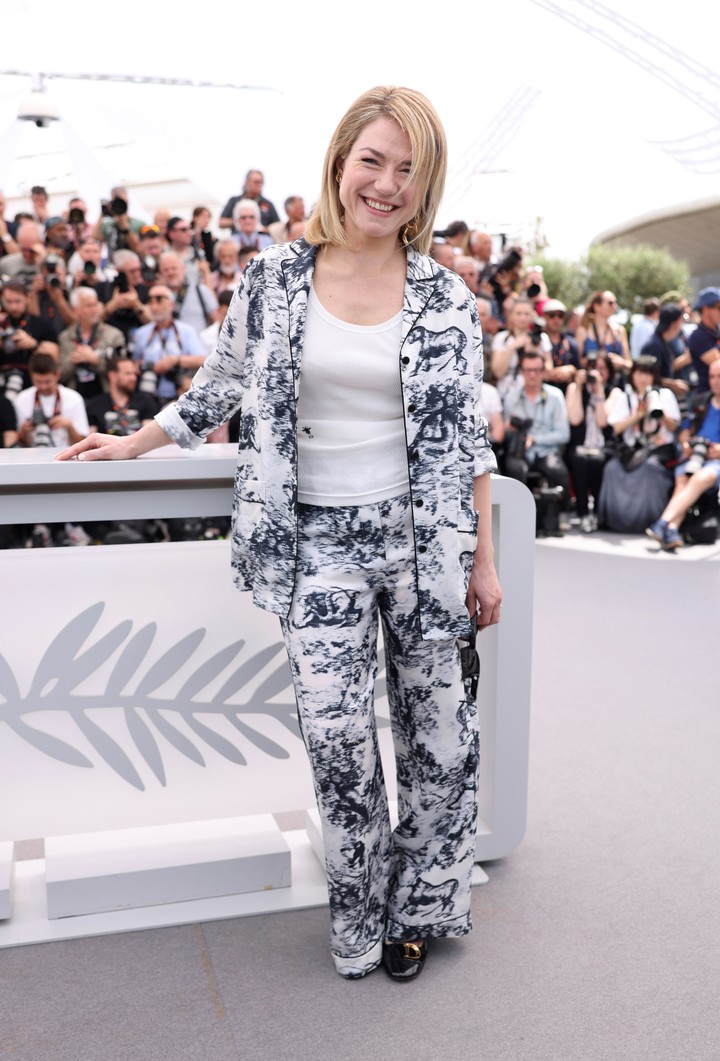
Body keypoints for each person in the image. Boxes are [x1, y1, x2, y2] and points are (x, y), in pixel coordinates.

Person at [57, 84, 502, 985]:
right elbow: (220, 383)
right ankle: (359, 911)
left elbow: (471, 439)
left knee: (441, 738)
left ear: (428, 188)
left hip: (425, 544)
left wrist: (483, 561)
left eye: (409, 171)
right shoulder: (274, 278)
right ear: (340, 162)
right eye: (373, 159)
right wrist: (138, 439)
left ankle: (420, 909)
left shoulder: (444, 297)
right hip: (316, 545)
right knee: (339, 740)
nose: (386, 184)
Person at [597, 356, 680, 533]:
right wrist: (638, 415)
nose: (643, 378)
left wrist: (659, 411)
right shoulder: (626, 396)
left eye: (648, 373)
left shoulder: (664, 395)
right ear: (633, 375)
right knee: (611, 468)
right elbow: (616, 428)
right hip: (632, 450)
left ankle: (650, 521)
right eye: (640, 373)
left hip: (659, 449)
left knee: (650, 469)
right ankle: (614, 520)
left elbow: (674, 426)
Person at [646, 360, 720, 550]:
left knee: (701, 478)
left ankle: (662, 522)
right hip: (693, 458)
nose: (715, 381)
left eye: (719, 376)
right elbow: (684, 432)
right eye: (712, 376)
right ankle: (671, 530)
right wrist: (686, 445)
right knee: (682, 483)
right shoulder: (700, 401)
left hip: (714, 463)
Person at [501, 350, 571, 512]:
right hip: (518, 451)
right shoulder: (512, 397)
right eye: (528, 370)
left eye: (537, 370)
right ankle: (516, 515)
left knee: (558, 471)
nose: (532, 374)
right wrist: (510, 429)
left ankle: (558, 516)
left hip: (545, 451)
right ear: (522, 372)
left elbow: (563, 434)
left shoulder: (555, 395)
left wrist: (535, 439)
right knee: (515, 471)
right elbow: (504, 435)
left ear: (543, 372)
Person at [131, 282, 206, 403]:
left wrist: (175, 361)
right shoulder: (142, 333)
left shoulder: (186, 331)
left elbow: (202, 360)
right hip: (149, 396)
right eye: (150, 301)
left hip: (179, 397)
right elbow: (134, 363)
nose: (154, 306)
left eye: (159, 300)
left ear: (171, 304)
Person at [565, 352, 615, 532]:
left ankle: (598, 513)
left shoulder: (613, 392)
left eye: (602, 368)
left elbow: (603, 421)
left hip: (603, 446)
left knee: (597, 461)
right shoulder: (574, 388)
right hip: (580, 445)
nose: (597, 373)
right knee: (578, 460)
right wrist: (578, 388)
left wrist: (599, 389)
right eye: (593, 368)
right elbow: (575, 419)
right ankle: (583, 513)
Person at [58, 288, 126, 398]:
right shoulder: (65, 337)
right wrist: (73, 360)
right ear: (76, 310)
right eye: (88, 306)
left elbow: (123, 373)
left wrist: (95, 361)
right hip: (75, 396)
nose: (94, 309)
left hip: (106, 396)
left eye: (95, 305)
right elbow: (59, 375)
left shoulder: (114, 335)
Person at [13, 351, 89, 448]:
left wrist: (69, 426)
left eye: (47, 382)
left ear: (57, 375)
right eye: (38, 382)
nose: (43, 386)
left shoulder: (74, 398)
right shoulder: (21, 399)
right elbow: (22, 445)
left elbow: (83, 443)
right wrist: (24, 430)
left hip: (66, 455)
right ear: (31, 377)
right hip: (33, 456)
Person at [490, 296, 551, 402]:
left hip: (533, 395)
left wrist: (534, 352)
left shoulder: (542, 339)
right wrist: (512, 347)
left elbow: (548, 373)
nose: (523, 318)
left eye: (527, 314)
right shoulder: (502, 338)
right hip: (507, 394)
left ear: (532, 315)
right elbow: (498, 372)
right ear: (511, 315)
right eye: (518, 313)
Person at [85, 355, 158, 435]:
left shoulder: (145, 401)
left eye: (134, 373)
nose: (133, 378)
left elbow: (150, 435)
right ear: (112, 376)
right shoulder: (95, 405)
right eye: (128, 373)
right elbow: (89, 438)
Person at [575, 291, 632, 378]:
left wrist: (622, 363)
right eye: (610, 303)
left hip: (615, 383)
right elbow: (577, 362)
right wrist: (596, 360)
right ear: (596, 306)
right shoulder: (583, 331)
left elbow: (629, 363)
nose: (614, 306)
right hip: (590, 383)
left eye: (615, 303)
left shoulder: (620, 331)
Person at [639, 302, 690, 400]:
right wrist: (672, 384)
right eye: (680, 321)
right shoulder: (654, 345)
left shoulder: (664, 342)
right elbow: (645, 376)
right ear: (674, 324)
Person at [687, 287, 720, 399]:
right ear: (705, 309)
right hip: (709, 399)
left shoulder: (717, 331)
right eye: (719, 307)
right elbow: (717, 363)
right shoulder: (698, 337)